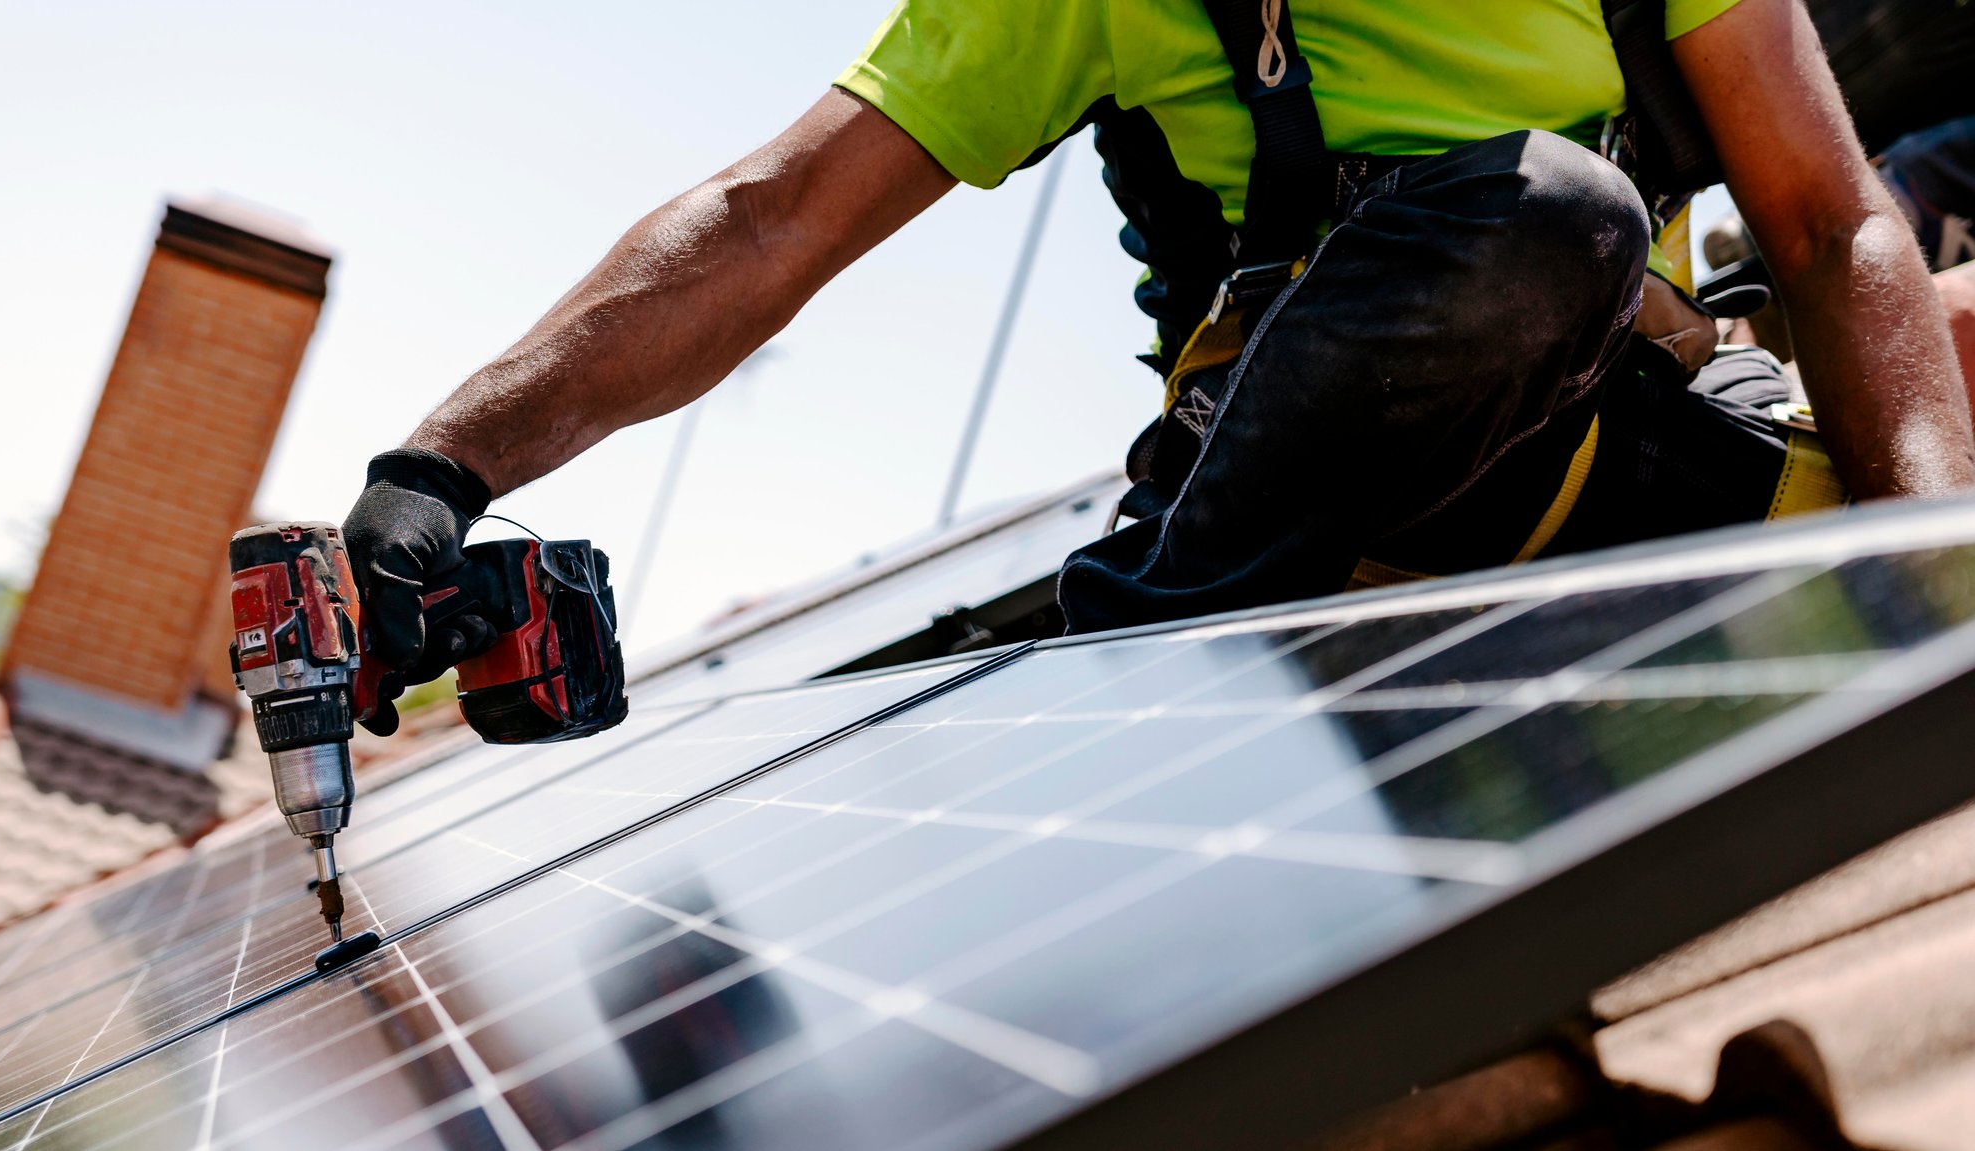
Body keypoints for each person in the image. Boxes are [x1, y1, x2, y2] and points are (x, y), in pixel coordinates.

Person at [342, 0, 1973, 730]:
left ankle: (1139, 649)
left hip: (1630, 454)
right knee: (1540, 214)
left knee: (1578, 224)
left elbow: (1837, 231)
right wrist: (443, 467)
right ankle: (1140, 662)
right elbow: (770, 220)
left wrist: (1934, 561)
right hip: (1316, 513)